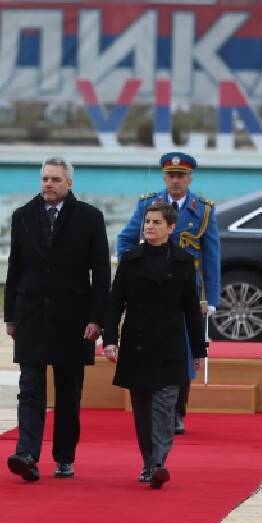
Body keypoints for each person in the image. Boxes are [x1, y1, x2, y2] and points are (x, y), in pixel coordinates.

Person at [3, 156, 110, 482]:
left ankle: (64, 456)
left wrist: (97, 318)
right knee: (30, 387)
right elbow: (15, 268)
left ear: (69, 183)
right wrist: (10, 315)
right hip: (32, 314)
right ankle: (27, 454)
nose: (48, 184)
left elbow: (101, 273)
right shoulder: (23, 216)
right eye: (45, 179)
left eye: (55, 180)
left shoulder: (90, 218)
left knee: (67, 392)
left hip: (74, 319)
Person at [102, 202, 207, 489]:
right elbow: (115, 303)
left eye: (156, 222)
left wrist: (199, 351)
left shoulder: (184, 262)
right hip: (136, 344)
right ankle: (149, 462)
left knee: (164, 407)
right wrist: (110, 340)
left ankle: (160, 462)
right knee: (143, 411)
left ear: (171, 228)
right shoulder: (131, 259)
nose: (149, 226)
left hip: (170, 346)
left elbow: (191, 309)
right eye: (147, 221)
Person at [116, 151, 219, 434]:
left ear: (190, 178)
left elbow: (211, 256)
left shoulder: (204, 210)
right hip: (149, 288)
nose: (175, 180)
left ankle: (176, 412)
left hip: (185, 292)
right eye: (171, 175)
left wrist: (211, 298)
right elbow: (125, 240)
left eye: (181, 175)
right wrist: (134, 267)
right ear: (164, 177)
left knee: (183, 353)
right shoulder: (148, 205)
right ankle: (151, 407)